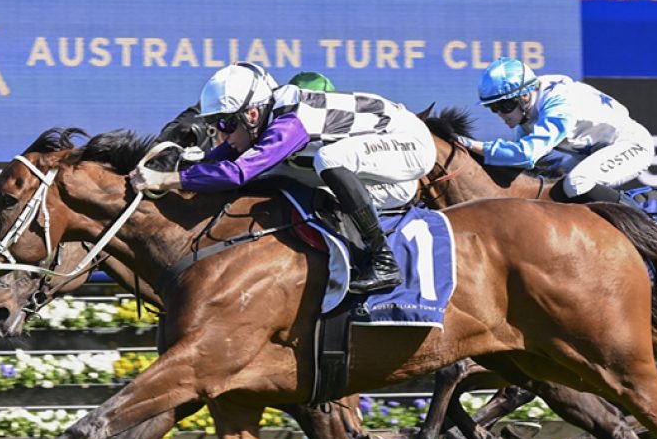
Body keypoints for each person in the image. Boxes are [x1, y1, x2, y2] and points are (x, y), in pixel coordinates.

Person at [128, 62, 436, 293]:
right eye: (215, 125)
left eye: (225, 124)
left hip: (409, 144)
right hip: (385, 177)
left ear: (251, 114)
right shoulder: (262, 117)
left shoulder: (290, 123)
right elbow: (221, 158)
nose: (221, 134)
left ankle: (384, 261)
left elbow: (237, 173)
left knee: (328, 159)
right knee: (284, 172)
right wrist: (174, 168)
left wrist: (166, 180)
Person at [458, 56, 654, 206]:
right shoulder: (528, 107)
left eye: (505, 105)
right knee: (551, 189)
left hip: (631, 144)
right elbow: (521, 166)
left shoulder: (558, 104)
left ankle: (646, 227)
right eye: (493, 108)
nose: (501, 114)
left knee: (577, 182)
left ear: (524, 96)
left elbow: (526, 155)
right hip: (594, 152)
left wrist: (469, 144)